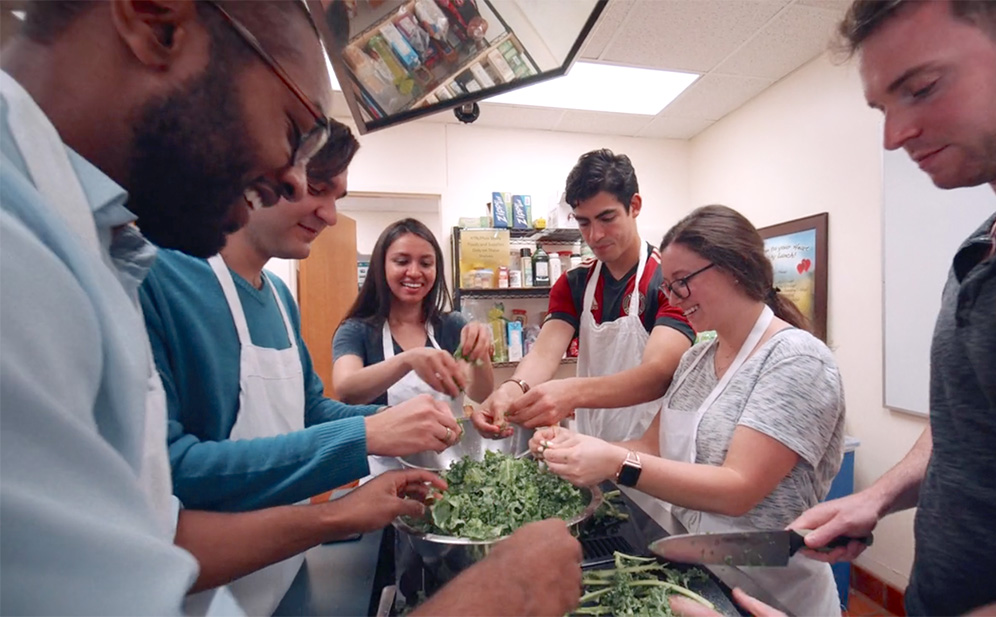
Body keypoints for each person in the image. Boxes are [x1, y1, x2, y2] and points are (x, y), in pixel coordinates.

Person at [0, 2, 582, 614]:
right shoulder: (31, 256)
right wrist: (501, 594)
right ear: (155, 22)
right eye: (291, 127)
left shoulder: (104, 247)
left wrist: (337, 509)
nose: (288, 181)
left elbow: (146, 525)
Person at [758, 1, 996, 616]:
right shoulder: (983, 241)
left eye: (922, 88)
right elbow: (969, 416)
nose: (894, 136)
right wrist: (878, 498)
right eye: (885, 107)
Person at [139, 121, 463, 614]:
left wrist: (393, 424)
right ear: (257, 175)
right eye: (316, 190)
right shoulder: (161, 279)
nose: (331, 215)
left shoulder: (280, 299)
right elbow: (172, 473)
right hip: (201, 592)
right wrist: (367, 438)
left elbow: (309, 410)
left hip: (284, 566)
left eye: (338, 196)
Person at [533, 205, 846, 617]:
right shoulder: (697, 360)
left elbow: (738, 489)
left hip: (774, 587)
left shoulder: (797, 360)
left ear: (737, 266)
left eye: (683, 282)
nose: (674, 298)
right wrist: (576, 447)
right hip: (702, 578)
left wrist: (612, 461)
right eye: (668, 287)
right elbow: (651, 446)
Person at [471, 149, 695, 445]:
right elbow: (544, 353)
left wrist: (571, 392)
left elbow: (657, 375)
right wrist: (513, 388)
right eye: (583, 222)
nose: (595, 235)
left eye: (606, 218)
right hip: (591, 447)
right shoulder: (575, 283)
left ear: (634, 205)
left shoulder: (667, 280)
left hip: (655, 456)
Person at [332, 218, 494, 411]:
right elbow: (346, 389)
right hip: (385, 441)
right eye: (402, 262)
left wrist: (480, 353)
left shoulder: (451, 325)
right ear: (381, 266)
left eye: (425, 263)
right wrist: (408, 360)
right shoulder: (357, 330)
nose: (415, 272)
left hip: (449, 440)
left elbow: (480, 393)